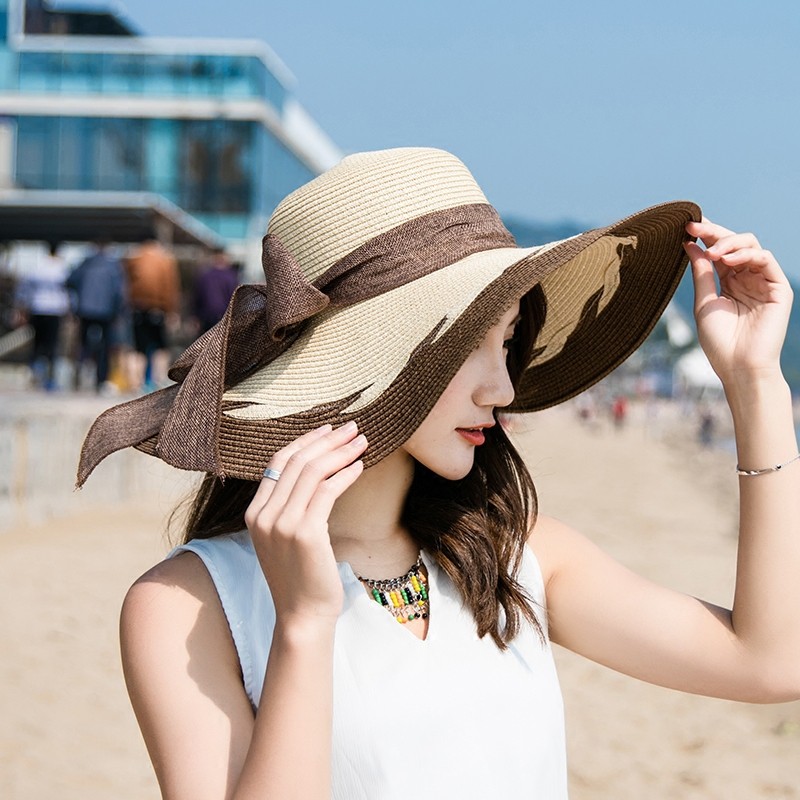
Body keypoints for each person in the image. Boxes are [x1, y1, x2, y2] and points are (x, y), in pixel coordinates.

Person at [76, 148, 799, 798]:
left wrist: (754, 382)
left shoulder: (512, 554)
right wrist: (303, 626)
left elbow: (771, 662)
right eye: (467, 346)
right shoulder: (186, 606)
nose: (504, 388)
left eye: (508, 340)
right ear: (368, 358)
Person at [66, 236, 126, 393]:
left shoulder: (85, 262)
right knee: (105, 346)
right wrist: (118, 312)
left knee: (83, 343)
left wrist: (77, 300)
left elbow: (70, 281)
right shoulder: (114, 266)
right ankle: (101, 380)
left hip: (85, 309)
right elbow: (119, 292)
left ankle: (78, 375)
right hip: (106, 311)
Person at [125, 235, 181, 391]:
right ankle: (159, 380)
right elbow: (170, 287)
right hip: (158, 308)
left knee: (138, 348)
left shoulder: (133, 259)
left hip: (137, 308)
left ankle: (136, 383)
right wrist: (171, 311)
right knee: (160, 347)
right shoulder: (165, 260)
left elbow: (126, 284)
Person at [13, 241, 69, 390]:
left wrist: (21, 308)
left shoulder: (37, 267)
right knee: (52, 345)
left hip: (37, 309)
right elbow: (68, 292)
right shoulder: (62, 269)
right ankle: (49, 380)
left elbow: (23, 289)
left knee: (37, 344)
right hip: (55, 311)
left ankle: (35, 374)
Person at [192, 245, 238, 334]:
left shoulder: (204, 276)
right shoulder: (231, 277)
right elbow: (235, 298)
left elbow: (197, 298)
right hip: (224, 318)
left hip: (206, 318)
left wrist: (196, 316)